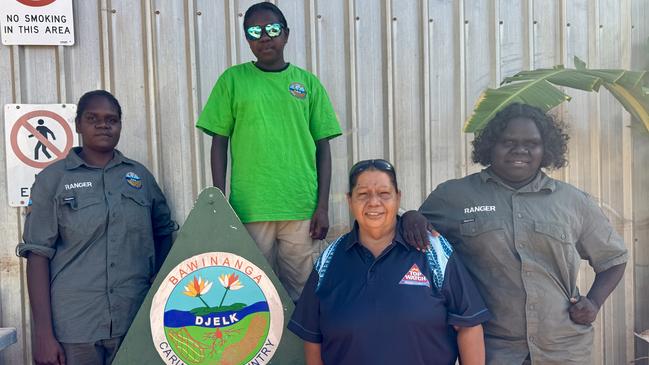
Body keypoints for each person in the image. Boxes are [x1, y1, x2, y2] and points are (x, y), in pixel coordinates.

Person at [402, 103, 628, 365]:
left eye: (532, 143)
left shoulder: (572, 201)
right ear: (491, 146)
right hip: (490, 349)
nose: (520, 150)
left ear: (545, 150)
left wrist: (594, 302)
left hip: (564, 349)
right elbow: (415, 235)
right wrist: (409, 217)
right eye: (508, 141)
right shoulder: (453, 196)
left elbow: (614, 258)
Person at [17, 90, 177, 365]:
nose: (103, 125)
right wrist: (43, 335)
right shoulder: (52, 180)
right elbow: (37, 256)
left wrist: (158, 286)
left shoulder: (139, 177)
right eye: (93, 118)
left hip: (134, 322)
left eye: (111, 119)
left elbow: (164, 232)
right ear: (78, 124)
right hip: (75, 329)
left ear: (120, 126)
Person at [195, 2, 342, 301]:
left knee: (305, 293)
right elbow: (218, 142)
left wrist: (322, 206)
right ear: (247, 39)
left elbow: (323, 148)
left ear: (286, 35)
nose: (264, 37)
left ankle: (305, 350)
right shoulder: (232, 81)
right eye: (254, 31)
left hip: (300, 207)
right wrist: (220, 204)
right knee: (251, 293)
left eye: (272, 29)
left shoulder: (307, 84)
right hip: (249, 208)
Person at [288, 159, 490, 365]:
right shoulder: (329, 259)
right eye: (363, 194)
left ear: (398, 197)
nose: (374, 202)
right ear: (350, 201)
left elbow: (469, 325)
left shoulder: (432, 249)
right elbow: (313, 338)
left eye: (384, 194)